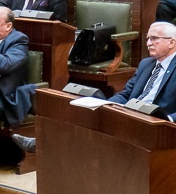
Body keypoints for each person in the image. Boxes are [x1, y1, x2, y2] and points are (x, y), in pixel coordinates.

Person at [14, 21, 176, 152]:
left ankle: (43, 143)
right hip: (130, 115)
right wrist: (105, 106)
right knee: (80, 113)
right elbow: (126, 94)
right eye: (148, 38)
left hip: (155, 123)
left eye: (154, 39)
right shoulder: (146, 64)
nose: (148, 43)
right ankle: (43, 141)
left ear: (172, 42)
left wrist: (168, 120)